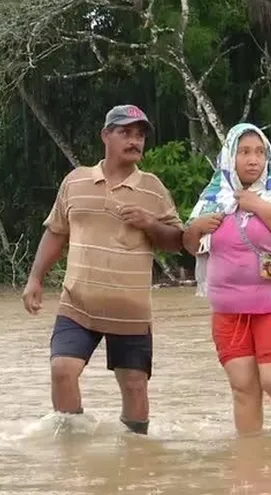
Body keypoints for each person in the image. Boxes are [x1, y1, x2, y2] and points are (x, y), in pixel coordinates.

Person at [21, 105, 184, 435]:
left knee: (135, 384)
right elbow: (56, 232)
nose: (134, 140)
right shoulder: (75, 181)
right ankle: (73, 447)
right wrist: (35, 278)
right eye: (125, 132)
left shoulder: (152, 188)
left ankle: (135, 457)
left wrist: (150, 223)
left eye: (140, 135)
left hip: (130, 309)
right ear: (105, 136)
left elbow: (178, 241)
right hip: (78, 303)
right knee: (62, 370)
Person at [183, 123, 271, 436]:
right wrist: (197, 227)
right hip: (228, 308)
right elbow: (190, 246)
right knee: (243, 388)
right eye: (244, 152)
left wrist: (259, 206)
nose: (253, 159)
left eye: (259, 152)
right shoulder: (213, 197)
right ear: (230, 157)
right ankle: (250, 461)